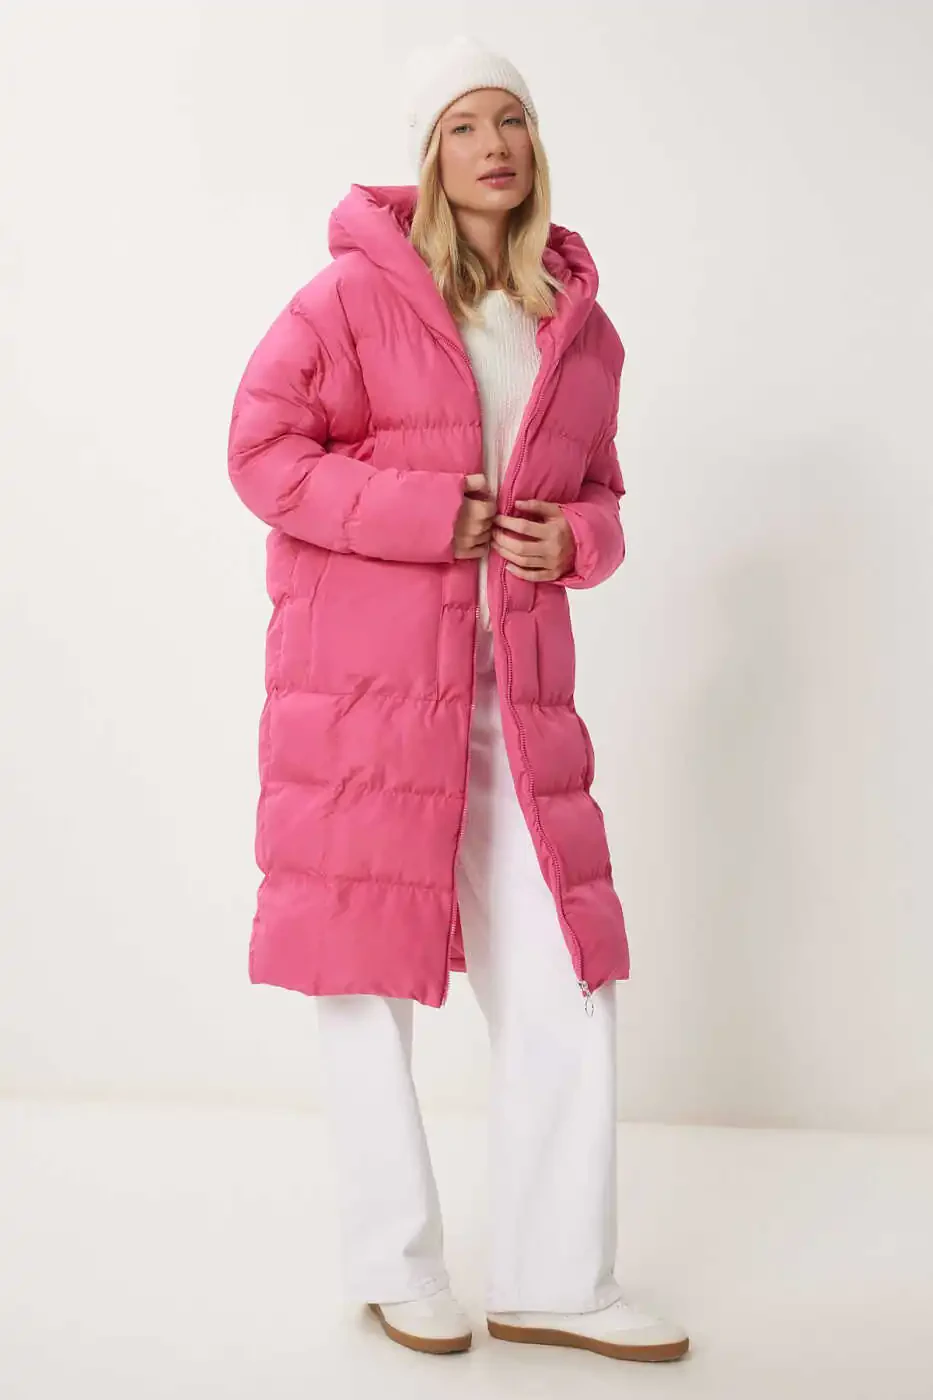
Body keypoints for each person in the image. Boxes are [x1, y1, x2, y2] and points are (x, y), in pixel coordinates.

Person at [226, 33, 689, 1365]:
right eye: (468, 126)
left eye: (514, 123)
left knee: (567, 975)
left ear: (536, 147)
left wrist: (574, 541)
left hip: (513, 700)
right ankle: (394, 1264)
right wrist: (435, 514)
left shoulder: (577, 329)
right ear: (430, 153)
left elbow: (601, 497)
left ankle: (559, 1279)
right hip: (364, 698)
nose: (496, 146)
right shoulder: (349, 299)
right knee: (360, 978)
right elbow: (261, 452)